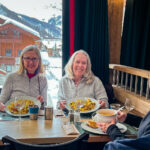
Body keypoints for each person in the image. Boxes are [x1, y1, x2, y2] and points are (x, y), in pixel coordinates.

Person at [0, 45, 48, 112]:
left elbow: (44, 106)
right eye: (27, 58)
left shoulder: (43, 79)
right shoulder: (11, 77)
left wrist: (41, 102)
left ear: (39, 60)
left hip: (34, 118)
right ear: (22, 60)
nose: (31, 62)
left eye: (34, 58)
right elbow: (1, 101)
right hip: (14, 119)